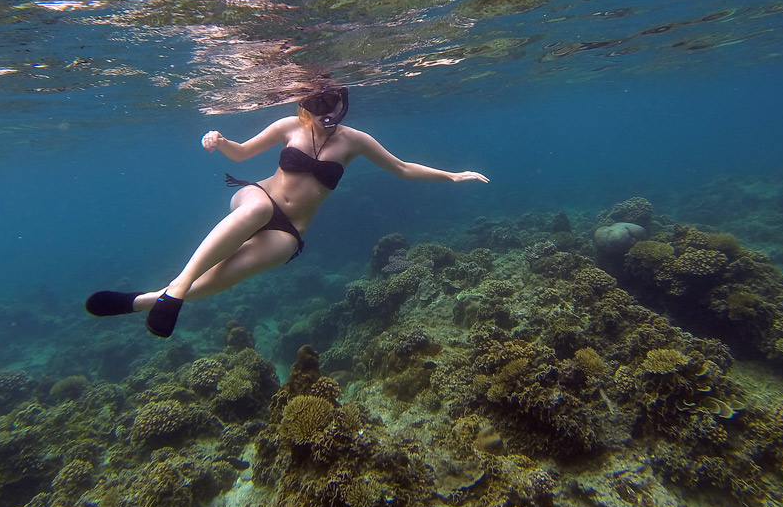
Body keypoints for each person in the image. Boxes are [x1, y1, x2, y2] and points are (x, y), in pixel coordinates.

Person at [85, 86, 489, 337]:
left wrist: (452, 176)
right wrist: (219, 140)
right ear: (305, 108)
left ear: (344, 103)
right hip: (257, 197)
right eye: (320, 107)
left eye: (336, 105)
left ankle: (143, 301)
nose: (329, 115)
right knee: (256, 212)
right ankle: (175, 292)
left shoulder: (355, 141)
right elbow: (241, 153)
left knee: (236, 270)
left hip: (292, 229)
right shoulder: (287, 127)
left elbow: (402, 168)